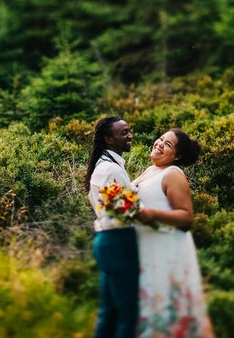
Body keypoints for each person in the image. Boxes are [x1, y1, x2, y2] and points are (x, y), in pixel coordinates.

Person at [133, 129, 214, 338]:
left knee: (166, 308)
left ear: (177, 156)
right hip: (146, 247)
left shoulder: (173, 174)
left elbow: (187, 217)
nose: (159, 144)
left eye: (167, 144)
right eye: (160, 139)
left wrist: (152, 213)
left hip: (165, 250)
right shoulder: (151, 169)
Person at [86, 115, 138, 338]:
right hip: (118, 241)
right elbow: (125, 211)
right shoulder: (111, 170)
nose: (130, 136)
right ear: (109, 139)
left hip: (108, 241)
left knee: (108, 313)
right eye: (123, 132)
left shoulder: (106, 165)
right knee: (127, 313)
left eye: (129, 130)